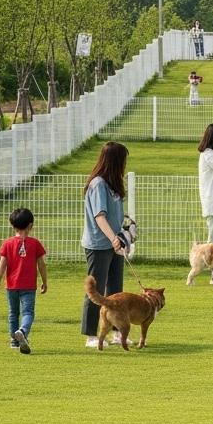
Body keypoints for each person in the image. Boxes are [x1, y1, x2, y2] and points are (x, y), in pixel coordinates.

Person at [81, 142, 129, 347]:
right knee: (96, 290)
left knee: (116, 291)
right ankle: (91, 335)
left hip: (114, 242)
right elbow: (99, 216)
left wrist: (124, 234)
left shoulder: (112, 184)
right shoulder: (98, 184)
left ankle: (118, 332)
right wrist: (113, 238)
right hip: (99, 244)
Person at [0, 207, 47, 354]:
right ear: (31, 226)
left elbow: (2, 264)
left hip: (11, 286)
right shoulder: (35, 244)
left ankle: (14, 341)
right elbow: (41, 265)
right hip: (29, 286)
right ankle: (22, 331)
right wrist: (45, 281)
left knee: (13, 313)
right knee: (28, 312)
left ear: (13, 226)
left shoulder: (8, 243)